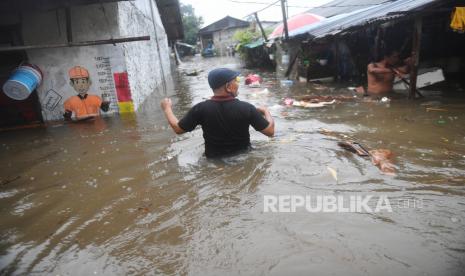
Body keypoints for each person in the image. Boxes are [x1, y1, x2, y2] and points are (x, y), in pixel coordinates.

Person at [160, 68, 275, 158]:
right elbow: (270, 132)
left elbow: (178, 129)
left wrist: (167, 109)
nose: (238, 84)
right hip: (243, 157)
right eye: (237, 81)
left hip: (213, 160)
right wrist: (266, 111)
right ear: (228, 87)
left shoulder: (200, 109)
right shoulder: (247, 108)